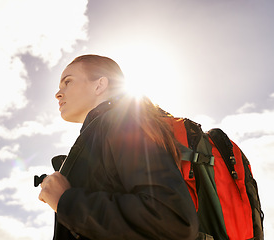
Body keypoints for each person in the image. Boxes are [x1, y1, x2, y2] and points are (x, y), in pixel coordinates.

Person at [38, 54, 199, 240]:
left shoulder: (122, 124)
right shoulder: (102, 131)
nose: (58, 93)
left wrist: (66, 201)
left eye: (68, 82)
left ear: (99, 85)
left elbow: (173, 221)